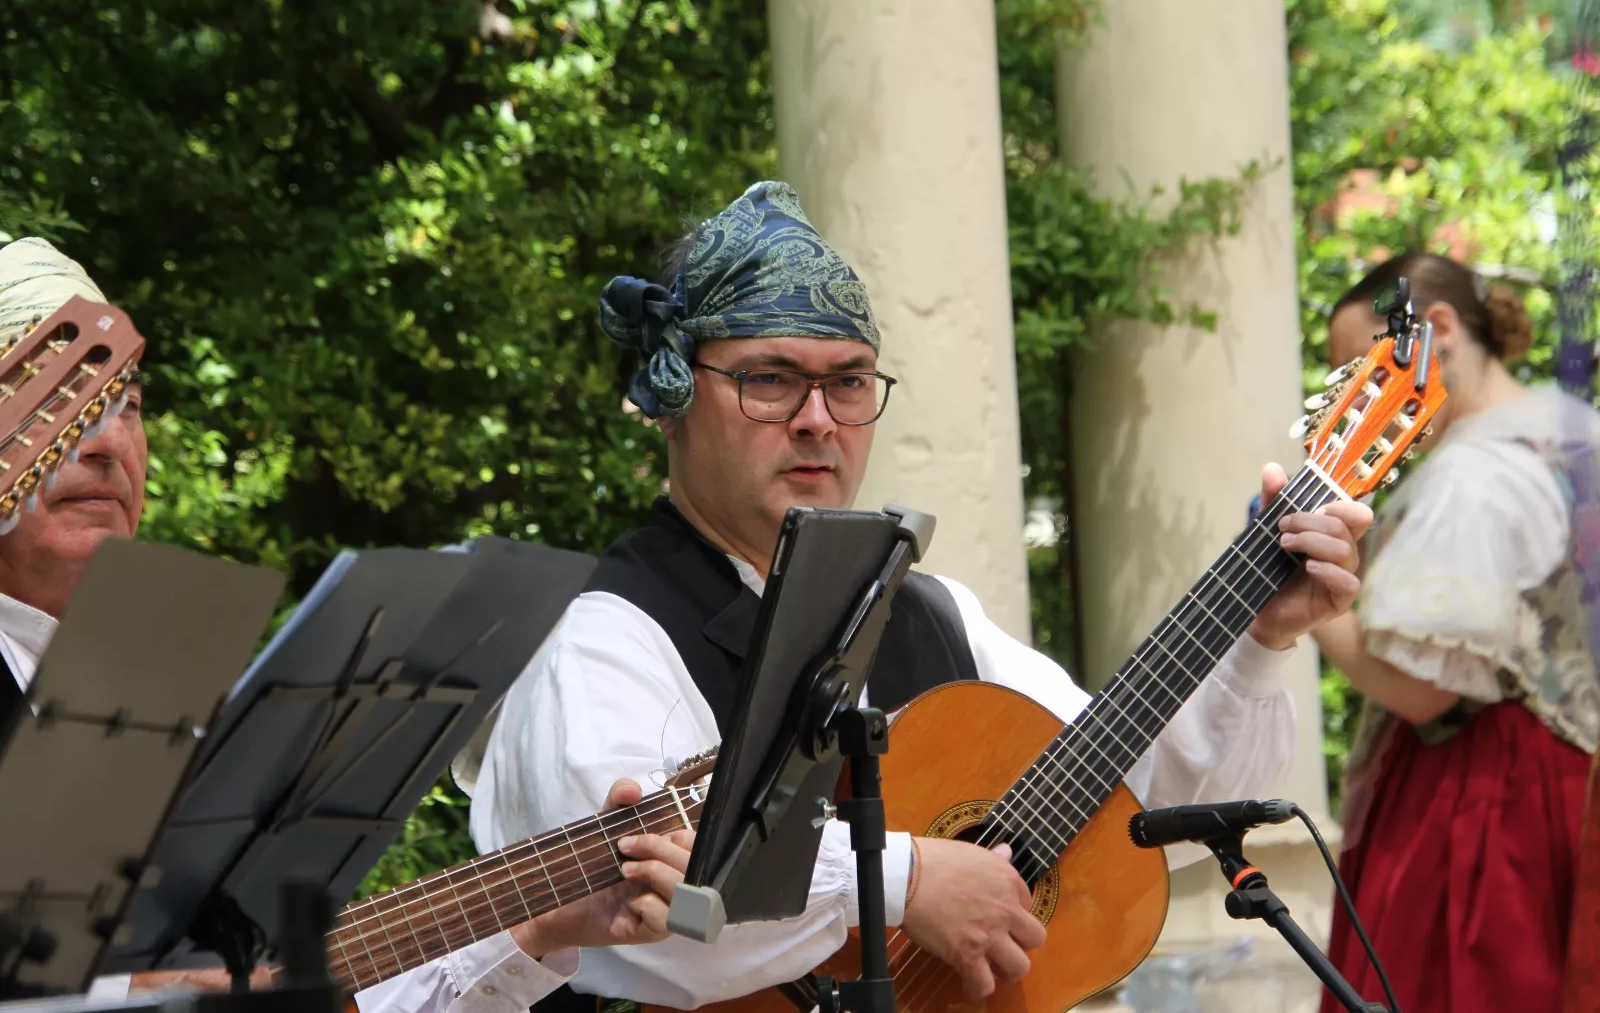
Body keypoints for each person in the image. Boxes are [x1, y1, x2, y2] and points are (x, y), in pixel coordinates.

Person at [455, 180, 1370, 1012]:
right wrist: (908, 881)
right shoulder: (603, 637)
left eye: (849, 381)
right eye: (770, 379)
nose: (819, 420)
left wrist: (1257, 639)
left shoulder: (932, 614)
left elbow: (1140, 800)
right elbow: (648, 903)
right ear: (672, 394)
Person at [0, 238, 695, 1013]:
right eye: (50, 401)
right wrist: (142, 993)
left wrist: (536, 925)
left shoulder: (168, 693)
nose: (103, 441)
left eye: (124, 403)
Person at [1313, 253, 1600, 1013]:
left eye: (1364, 369)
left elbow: (1424, 691)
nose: (1358, 400)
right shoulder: (1577, 434)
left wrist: (1313, 603)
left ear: (1436, 329)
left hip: (1483, 802)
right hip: (1572, 785)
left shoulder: (1472, 478)